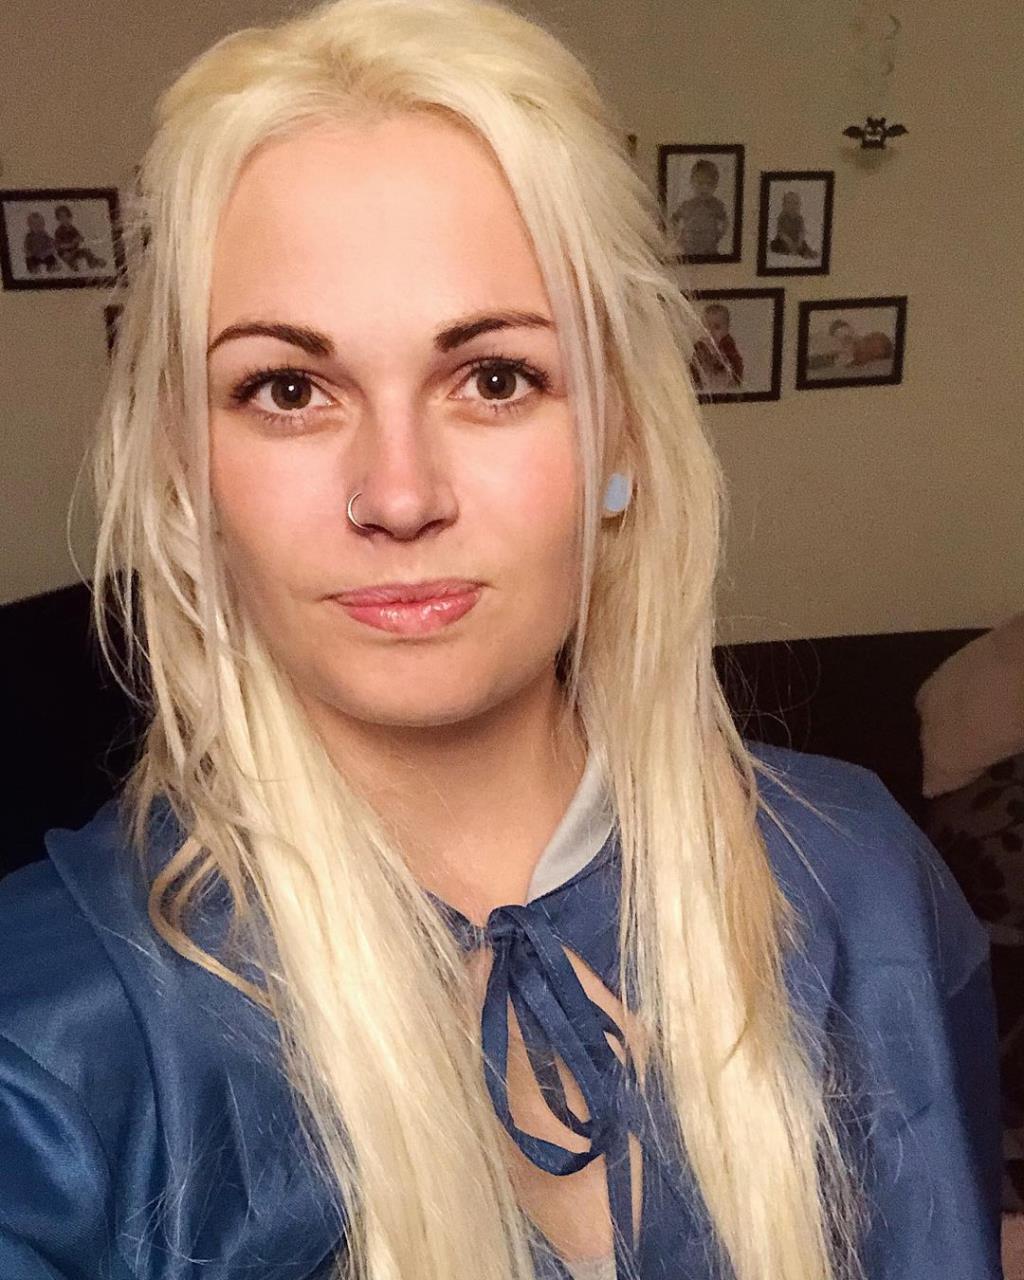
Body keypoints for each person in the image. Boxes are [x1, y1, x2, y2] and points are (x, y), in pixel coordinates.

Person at [0, 2, 1002, 1279]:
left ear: (619, 438)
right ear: (183, 473)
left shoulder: (860, 881)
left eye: (495, 378)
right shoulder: (46, 1047)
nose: (399, 494)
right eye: (288, 389)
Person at [669, 158, 728, 256]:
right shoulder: (687, 205)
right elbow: (674, 219)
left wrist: (718, 235)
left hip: (710, 249)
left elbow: (725, 222)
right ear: (692, 182)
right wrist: (678, 236)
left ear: (715, 185)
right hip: (689, 248)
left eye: (709, 184)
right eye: (700, 183)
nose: (704, 188)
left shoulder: (717, 205)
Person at [690, 302, 744, 391]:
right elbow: (693, 367)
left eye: (717, 327)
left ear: (726, 329)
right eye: (706, 327)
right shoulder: (699, 346)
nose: (710, 332)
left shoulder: (728, 346)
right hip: (705, 382)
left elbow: (736, 366)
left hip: (723, 383)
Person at [768, 190, 816, 259]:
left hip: (796, 240)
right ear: (783, 205)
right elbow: (781, 233)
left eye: (795, 203)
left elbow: (802, 231)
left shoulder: (799, 218)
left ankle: (807, 253)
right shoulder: (782, 217)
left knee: (804, 245)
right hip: (784, 240)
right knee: (776, 244)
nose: (792, 206)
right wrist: (788, 241)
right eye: (789, 202)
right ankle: (789, 251)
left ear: (799, 205)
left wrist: (800, 241)